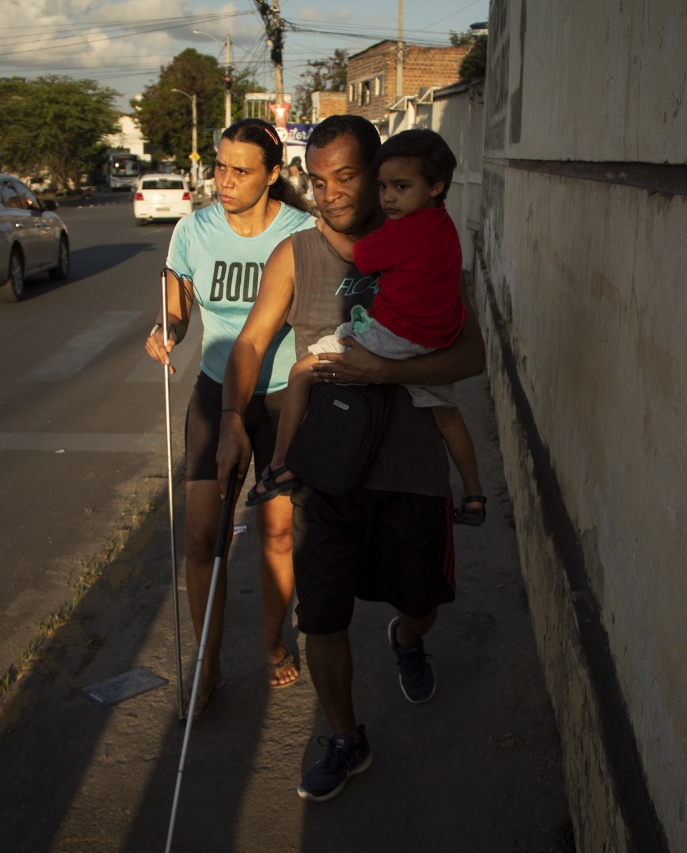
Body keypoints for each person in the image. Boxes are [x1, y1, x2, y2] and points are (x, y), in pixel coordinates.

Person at [217, 115, 485, 801]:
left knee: (421, 599)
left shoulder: (427, 243)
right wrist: (230, 420)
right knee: (324, 617)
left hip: (413, 468)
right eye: (318, 177)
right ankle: (346, 736)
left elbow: (473, 356)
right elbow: (249, 344)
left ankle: (406, 636)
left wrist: (382, 374)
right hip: (327, 471)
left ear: (381, 173)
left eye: (348, 176)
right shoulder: (297, 253)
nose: (330, 192)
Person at [144, 117, 314, 717]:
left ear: (272, 175)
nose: (225, 180)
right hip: (216, 395)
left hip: (280, 402)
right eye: (219, 166)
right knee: (199, 538)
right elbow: (180, 311)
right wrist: (166, 330)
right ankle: (208, 666)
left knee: (275, 533)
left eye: (241, 170)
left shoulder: (301, 233)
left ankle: (272, 643)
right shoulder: (193, 229)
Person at [244, 129, 487, 526]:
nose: (390, 197)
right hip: (435, 339)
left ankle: (281, 463)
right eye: (384, 186)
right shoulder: (444, 225)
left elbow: (360, 256)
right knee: (448, 414)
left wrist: (324, 229)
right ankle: (475, 494)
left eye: (400, 187)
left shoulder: (405, 231)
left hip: (391, 338)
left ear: (435, 185)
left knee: (303, 370)